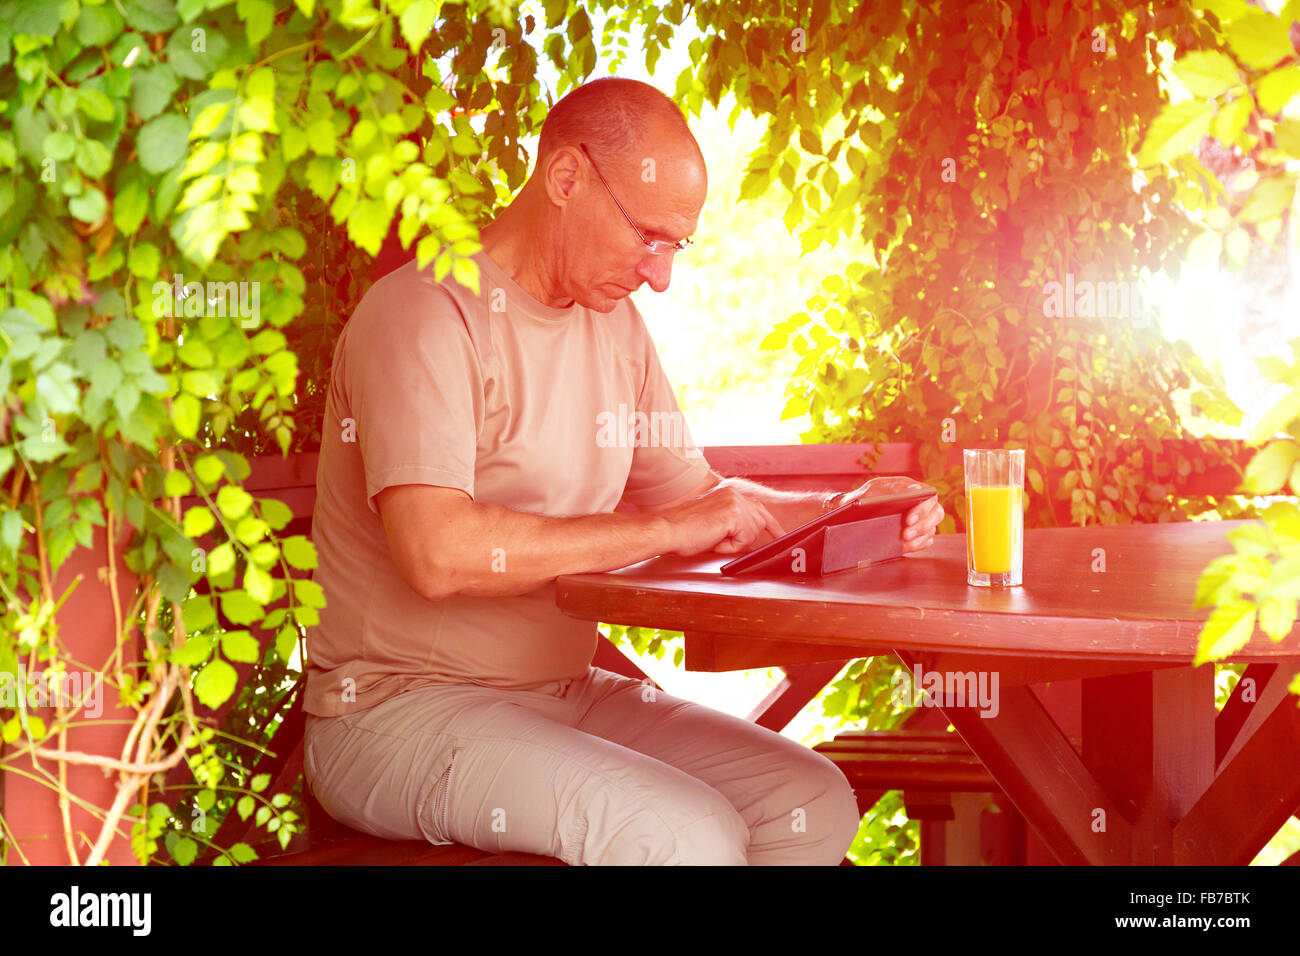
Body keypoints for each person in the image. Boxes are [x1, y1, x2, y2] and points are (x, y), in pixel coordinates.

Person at [301, 76, 945, 865]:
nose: (661, 274)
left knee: (809, 803)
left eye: (678, 245)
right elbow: (438, 552)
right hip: (395, 713)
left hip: (560, 695)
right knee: (680, 837)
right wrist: (665, 528)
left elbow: (704, 503)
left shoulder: (616, 327)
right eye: (650, 236)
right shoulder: (427, 314)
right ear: (566, 178)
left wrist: (846, 509)